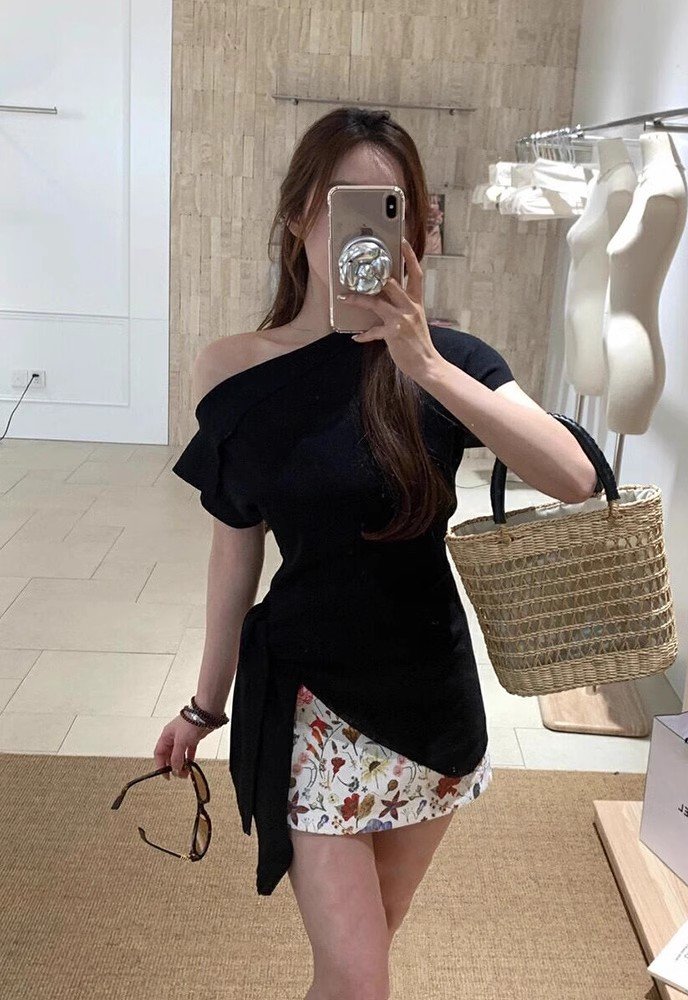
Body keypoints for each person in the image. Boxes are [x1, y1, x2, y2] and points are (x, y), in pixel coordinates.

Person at [156, 107, 596, 1000]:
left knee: (364, 956)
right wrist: (206, 706)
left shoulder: (450, 362)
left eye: (390, 206)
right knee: (360, 977)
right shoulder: (233, 370)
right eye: (342, 203)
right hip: (311, 703)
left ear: (415, 227)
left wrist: (424, 363)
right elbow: (234, 553)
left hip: (429, 701)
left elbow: (575, 478)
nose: (363, 229)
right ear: (298, 217)